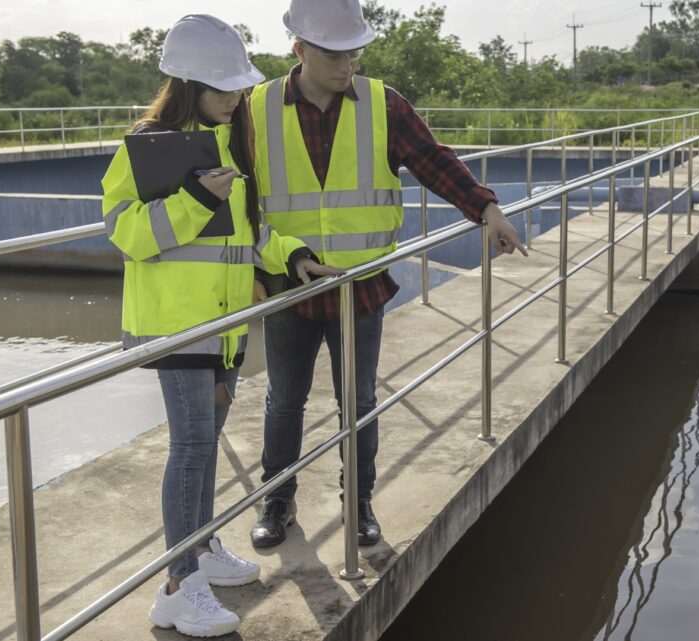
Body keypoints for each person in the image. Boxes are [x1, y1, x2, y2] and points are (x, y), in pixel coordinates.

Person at [246, 0, 528, 551]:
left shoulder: (383, 105)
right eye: (333, 52)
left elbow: (433, 160)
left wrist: (486, 208)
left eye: (353, 51)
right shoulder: (255, 109)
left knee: (359, 400)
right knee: (284, 400)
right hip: (289, 283)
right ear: (299, 49)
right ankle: (277, 500)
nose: (347, 62)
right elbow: (240, 201)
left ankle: (360, 502)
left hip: (361, 283)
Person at [101, 14, 337, 638]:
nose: (235, 99)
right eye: (223, 90)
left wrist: (290, 255)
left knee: (203, 454)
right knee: (192, 451)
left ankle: (201, 551)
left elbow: (247, 235)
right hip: (177, 328)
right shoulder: (147, 144)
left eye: (237, 89)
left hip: (226, 327)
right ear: (187, 84)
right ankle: (178, 587)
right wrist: (195, 199)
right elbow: (127, 234)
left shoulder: (228, 142)